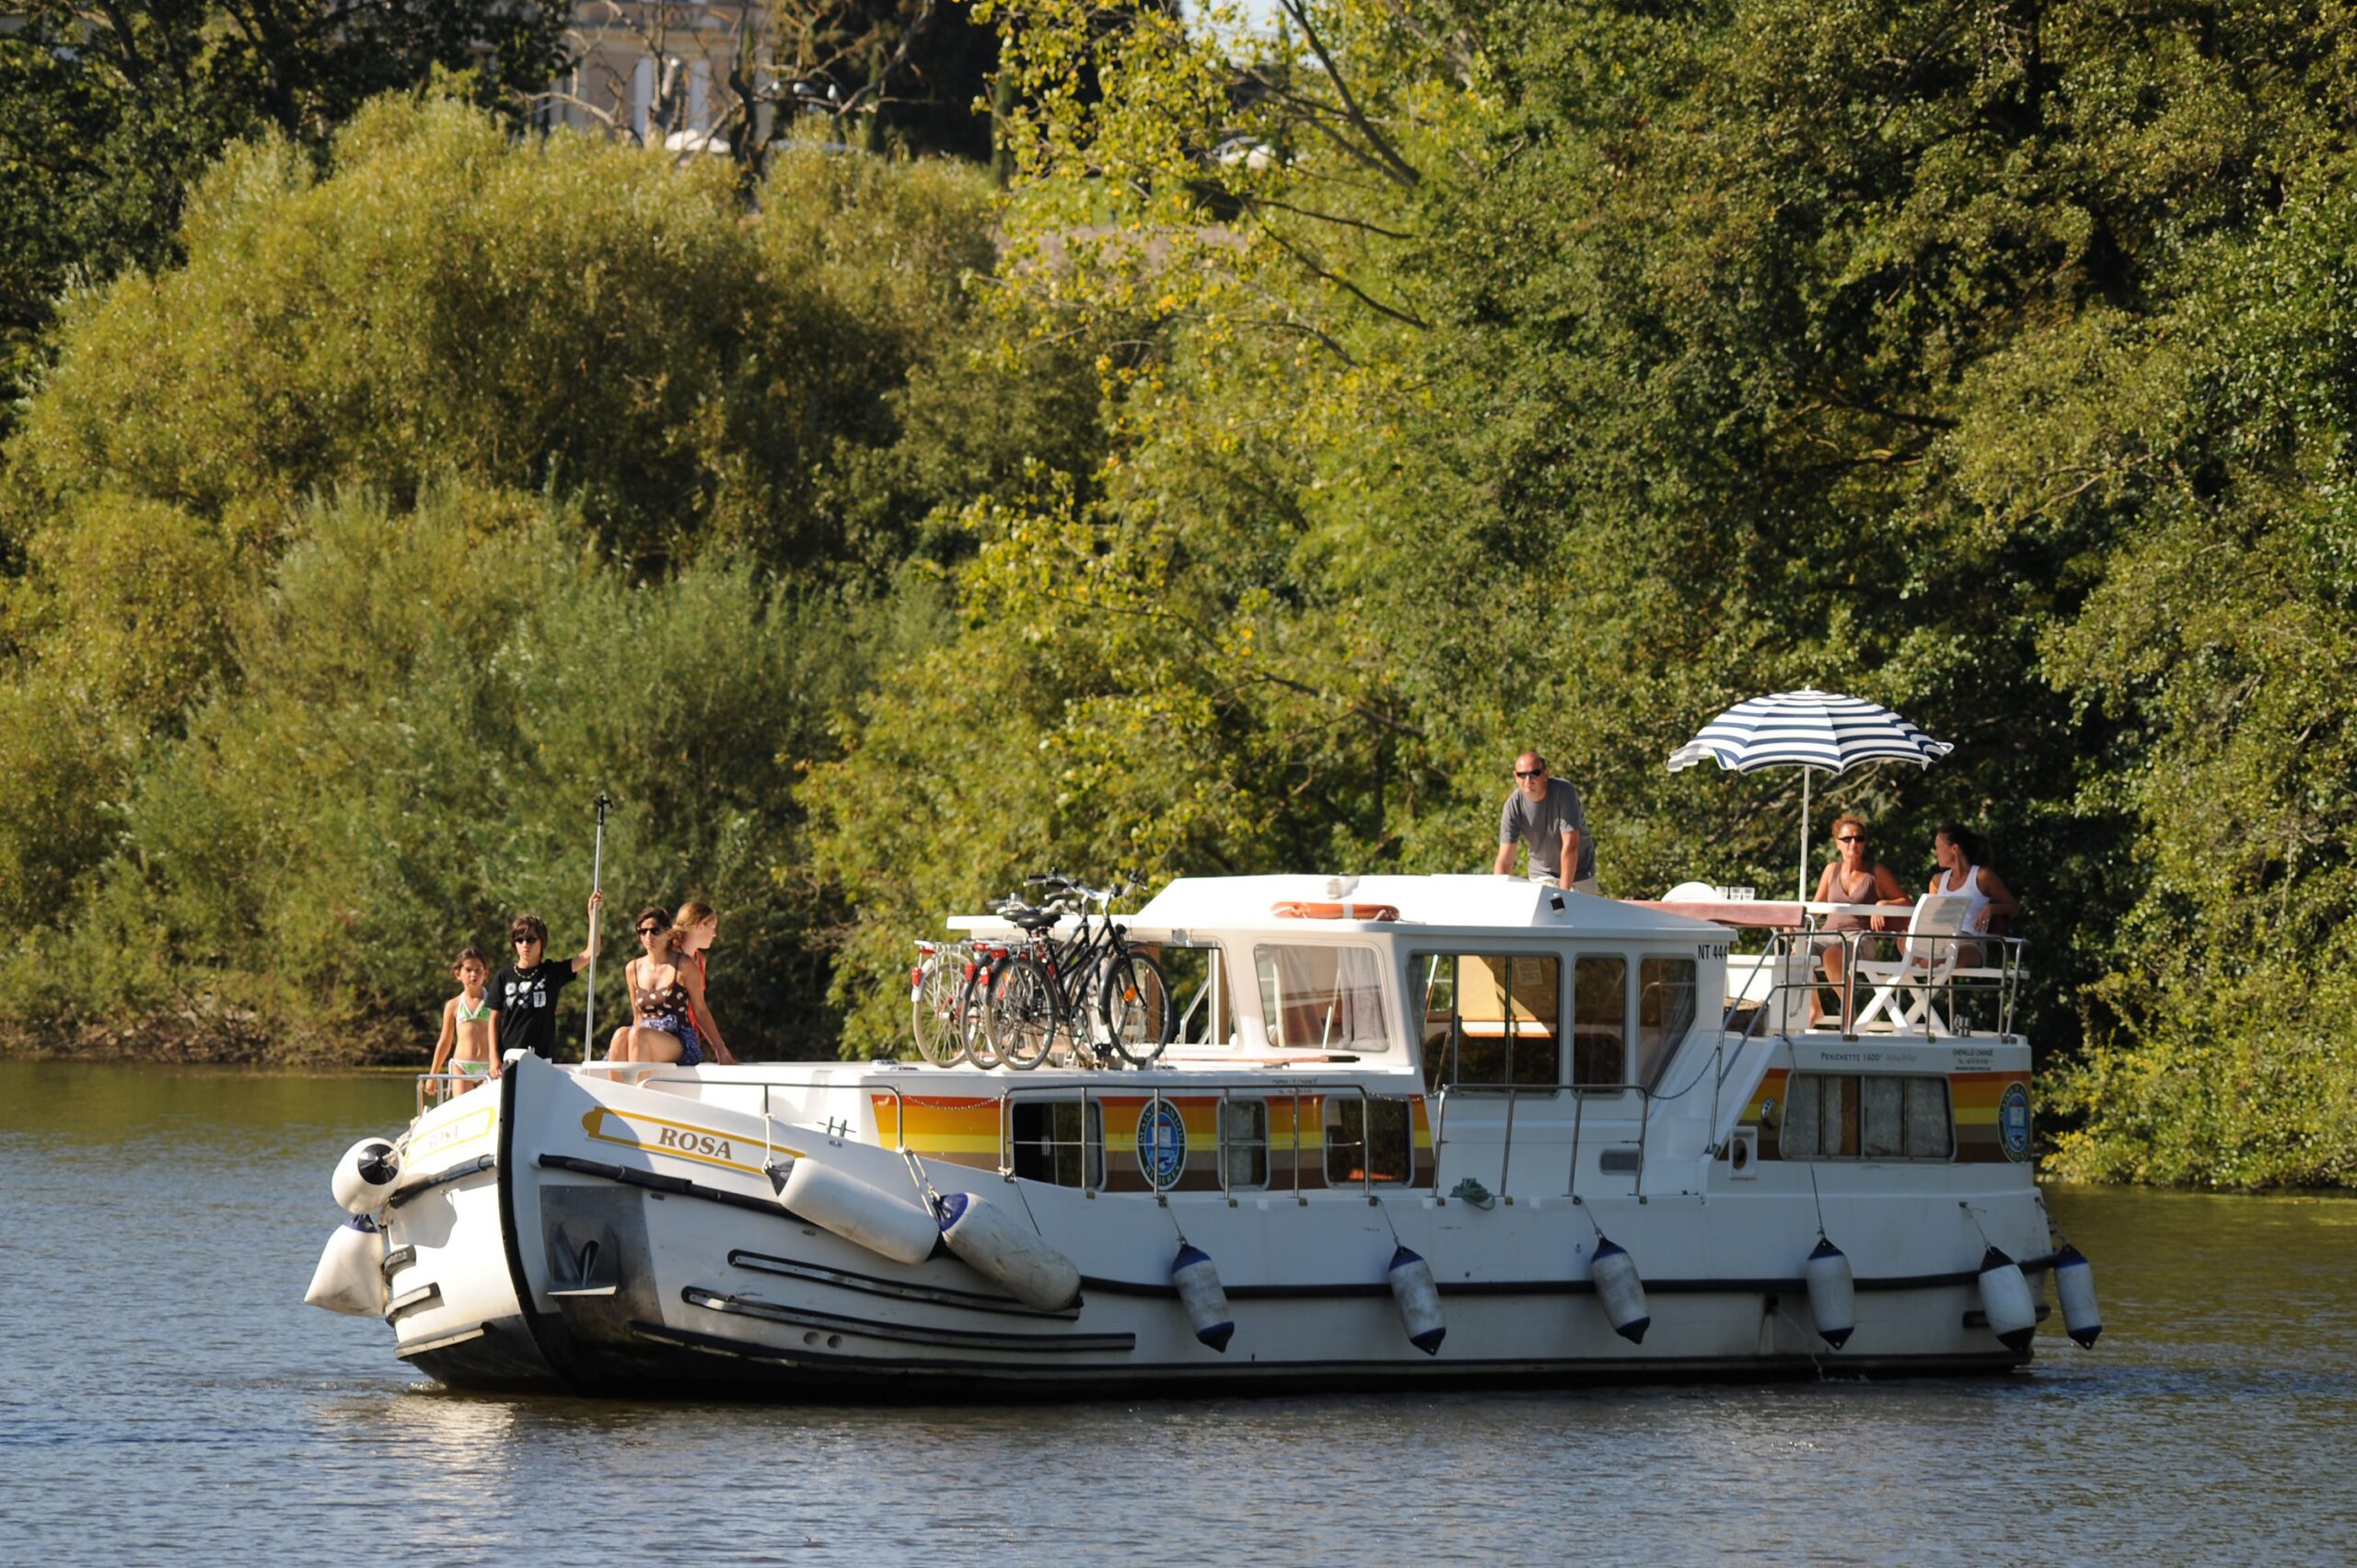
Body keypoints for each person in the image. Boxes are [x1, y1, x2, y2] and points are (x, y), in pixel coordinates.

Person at [486, 892, 603, 1080]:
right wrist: (493, 1057)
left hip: (542, 1058)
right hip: (508, 1058)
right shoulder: (503, 976)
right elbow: (494, 1019)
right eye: (519, 939)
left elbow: (592, 952)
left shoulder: (551, 973)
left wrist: (593, 915)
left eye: (531, 939)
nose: (525, 944)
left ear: (542, 942)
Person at [1809, 815, 1911, 1027]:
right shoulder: (1831, 870)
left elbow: (1908, 903)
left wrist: (1883, 904)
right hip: (1826, 934)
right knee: (1798, 952)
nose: (1853, 843)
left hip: (1860, 937)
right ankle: (1815, 1008)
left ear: (1865, 843)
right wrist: (1798, 920)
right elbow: (1816, 908)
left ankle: (1848, 1014)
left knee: (1832, 954)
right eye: (1847, 839)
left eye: (1859, 838)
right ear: (1837, 842)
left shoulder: (1876, 872)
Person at [607, 906, 719, 1067]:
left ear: (669, 933)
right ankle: (616, 1091)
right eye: (642, 931)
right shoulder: (632, 968)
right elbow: (638, 1017)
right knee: (620, 1035)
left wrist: (720, 1049)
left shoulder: (684, 965)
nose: (648, 936)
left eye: (655, 931)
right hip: (644, 1034)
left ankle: (640, 1090)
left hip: (679, 1037)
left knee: (639, 1035)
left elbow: (701, 1010)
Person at [1492, 749, 1598, 894]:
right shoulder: (1513, 805)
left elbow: (1570, 845)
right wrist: (1497, 894)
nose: (1528, 780)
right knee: (1545, 915)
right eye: (1522, 775)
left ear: (1546, 774)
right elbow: (1505, 859)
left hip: (1578, 875)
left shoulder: (1564, 792)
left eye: (1534, 773)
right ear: (1515, 777)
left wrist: (1564, 894)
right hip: (1541, 875)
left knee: (1574, 914)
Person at [1927, 823, 2019, 969]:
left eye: (1938, 847)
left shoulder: (1982, 877)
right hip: (1940, 942)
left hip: (1970, 942)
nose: (1935, 853)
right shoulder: (1937, 881)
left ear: (1954, 849)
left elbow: (2014, 907)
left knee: (1937, 960)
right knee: (1907, 944)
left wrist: (1992, 908)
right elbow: (1930, 918)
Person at [668, 899, 737, 1065]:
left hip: (689, 1036)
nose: (715, 934)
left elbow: (699, 1010)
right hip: (666, 1034)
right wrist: (719, 1048)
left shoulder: (700, 960)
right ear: (700, 926)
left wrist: (719, 1048)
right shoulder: (669, 958)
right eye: (712, 928)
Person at [426, 947, 496, 1097]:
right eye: (469, 970)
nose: (474, 975)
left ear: (486, 972)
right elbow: (445, 1042)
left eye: (478, 970)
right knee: (464, 1112)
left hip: (489, 1066)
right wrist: (433, 1075)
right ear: (458, 974)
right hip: (462, 1067)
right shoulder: (453, 1005)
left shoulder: (494, 1002)